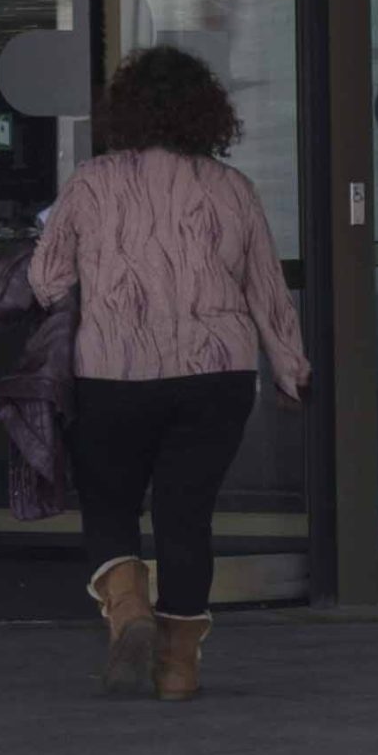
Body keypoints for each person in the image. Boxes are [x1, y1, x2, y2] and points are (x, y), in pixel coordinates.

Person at [31, 48, 311, 703]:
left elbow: (46, 284)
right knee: (187, 516)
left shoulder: (92, 183)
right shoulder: (232, 189)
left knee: (109, 504)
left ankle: (128, 612)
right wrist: (292, 371)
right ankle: (179, 667)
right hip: (216, 377)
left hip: (112, 375)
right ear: (205, 114)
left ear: (123, 111)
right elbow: (268, 294)